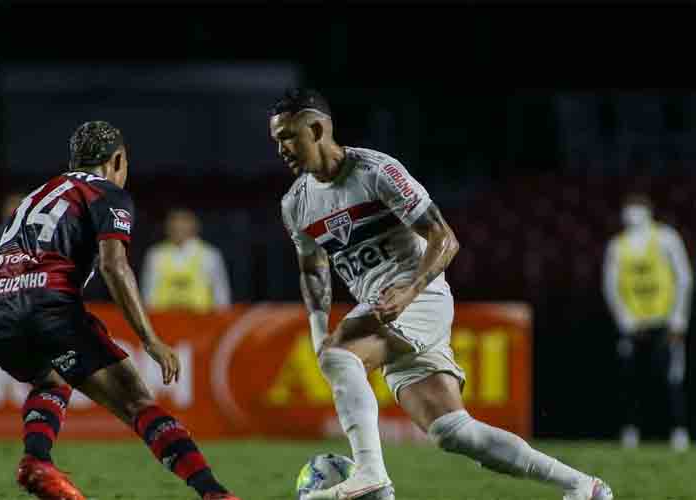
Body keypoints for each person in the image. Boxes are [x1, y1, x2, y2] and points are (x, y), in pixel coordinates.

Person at [272, 89, 613, 500]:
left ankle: (370, 474)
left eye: (289, 136)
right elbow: (313, 269)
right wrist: (315, 330)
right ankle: (584, 487)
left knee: (340, 352)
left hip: (418, 296)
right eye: (277, 140)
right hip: (383, 309)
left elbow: (445, 239)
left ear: (317, 128)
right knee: (452, 431)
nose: (282, 149)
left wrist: (408, 291)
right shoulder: (296, 204)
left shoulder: (376, 171)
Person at [0, 121, 241, 500]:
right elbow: (113, 266)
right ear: (118, 159)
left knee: (51, 379)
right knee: (136, 400)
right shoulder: (105, 192)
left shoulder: (33, 198)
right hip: (47, 306)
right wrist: (150, 339)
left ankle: (37, 460)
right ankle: (214, 493)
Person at [603, 193, 692, 451]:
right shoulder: (617, 246)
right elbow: (610, 286)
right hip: (632, 325)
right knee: (630, 379)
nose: (632, 212)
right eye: (629, 207)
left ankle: (678, 431)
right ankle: (630, 432)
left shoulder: (667, 237)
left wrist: (679, 319)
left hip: (664, 320)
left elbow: (683, 277)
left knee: (671, 378)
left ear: (649, 210)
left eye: (638, 207)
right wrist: (623, 319)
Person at [141, 209, 231, 313]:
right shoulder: (155, 254)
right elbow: (147, 295)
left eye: (184, 220)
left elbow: (221, 298)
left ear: (195, 224)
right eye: (174, 220)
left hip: (200, 323)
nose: (178, 225)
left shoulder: (209, 255)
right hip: (163, 321)